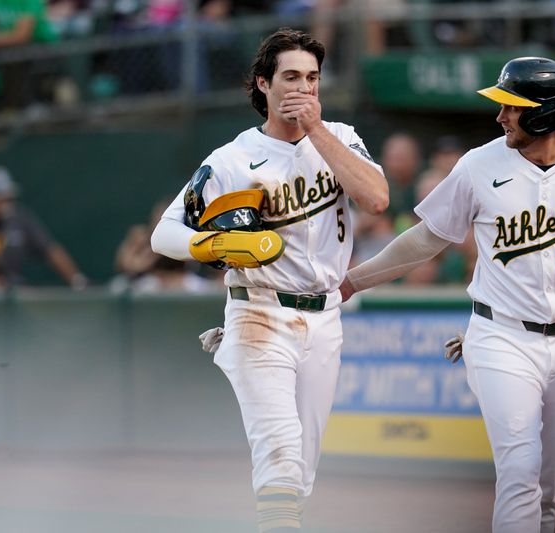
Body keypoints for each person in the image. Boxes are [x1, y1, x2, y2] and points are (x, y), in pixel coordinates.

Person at [339, 57, 555, 532]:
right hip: (499, 336)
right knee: (521, 470)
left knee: (544, 490)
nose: (500, 115)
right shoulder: (479, 165)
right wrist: (353, 281)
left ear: (545, 113)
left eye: (512, 106)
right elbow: (426, 238)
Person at [150, 28, 388, 532]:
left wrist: (318, 131)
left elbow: (377, 198)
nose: (304, 87)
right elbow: (164, 234)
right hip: (259, 312)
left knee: (301, 469)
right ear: (263, 84)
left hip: (324, 318)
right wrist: (208, 245)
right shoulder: (231, 159)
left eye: (313, 78)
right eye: (291, 77)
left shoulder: (339, 138)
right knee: (279, 450)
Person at [0, 165, 87, 289]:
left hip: (12, 293)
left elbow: (51, 250)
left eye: (8, 198)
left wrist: (77, 281)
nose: (5, 203)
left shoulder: (19, 219)